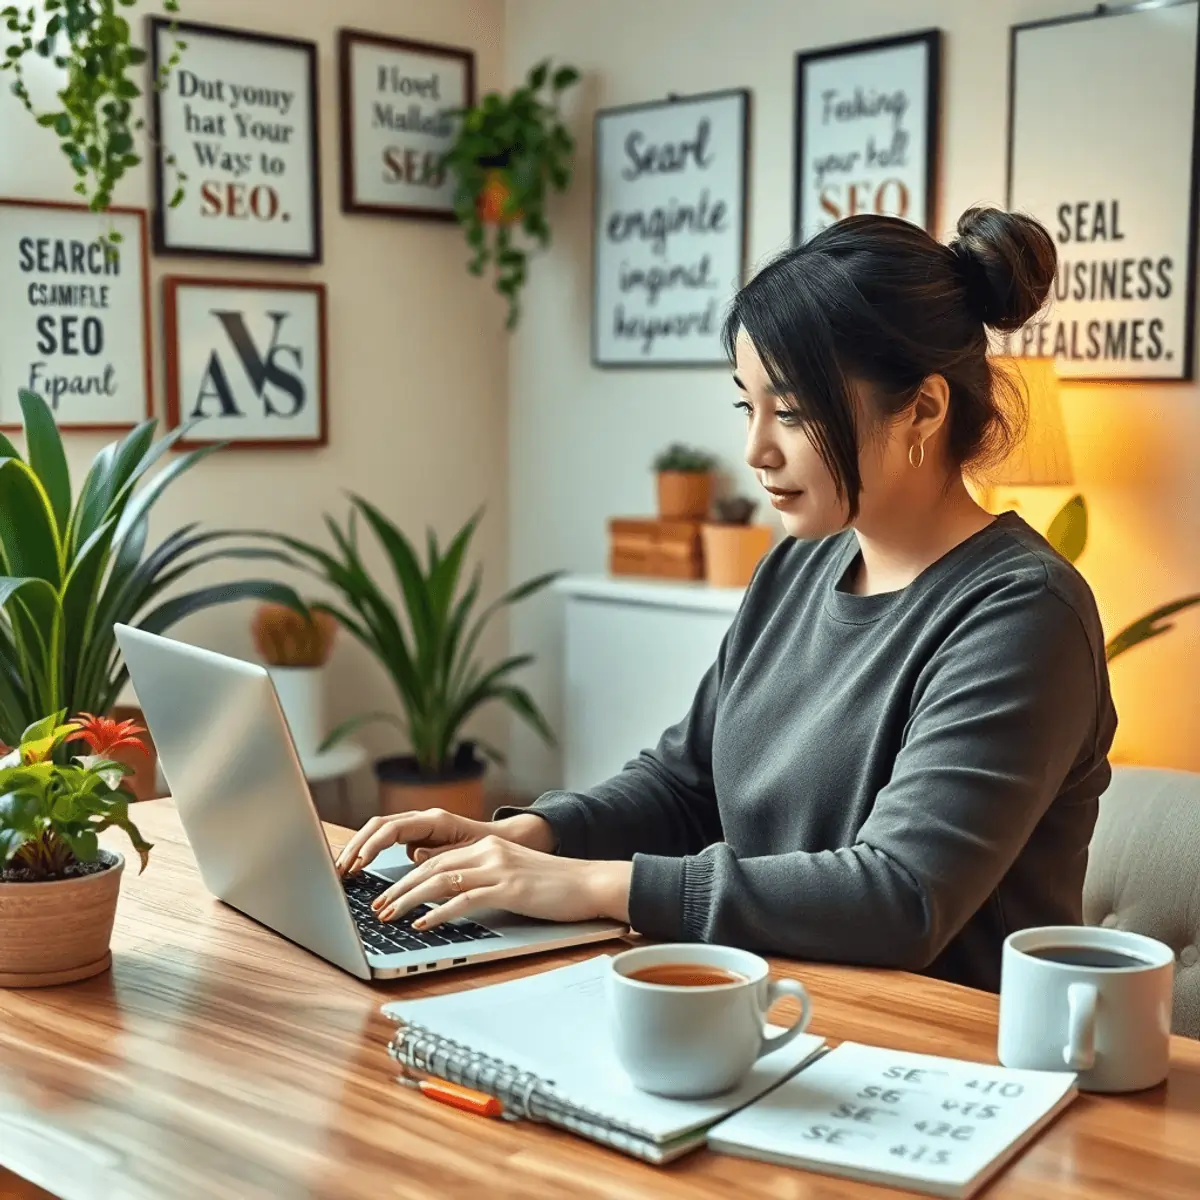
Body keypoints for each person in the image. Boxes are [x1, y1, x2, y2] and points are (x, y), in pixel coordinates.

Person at [335, 206, 1118, 992]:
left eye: (796, 411)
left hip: (937, 1062)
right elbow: (687, 782)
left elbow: (901, 895)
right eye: (749, 407)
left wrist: (595, 887)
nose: (756, 451)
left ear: (922, 407)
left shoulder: (1023, 612)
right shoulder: (797, 569)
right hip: (765, 1012)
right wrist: (537, 835)